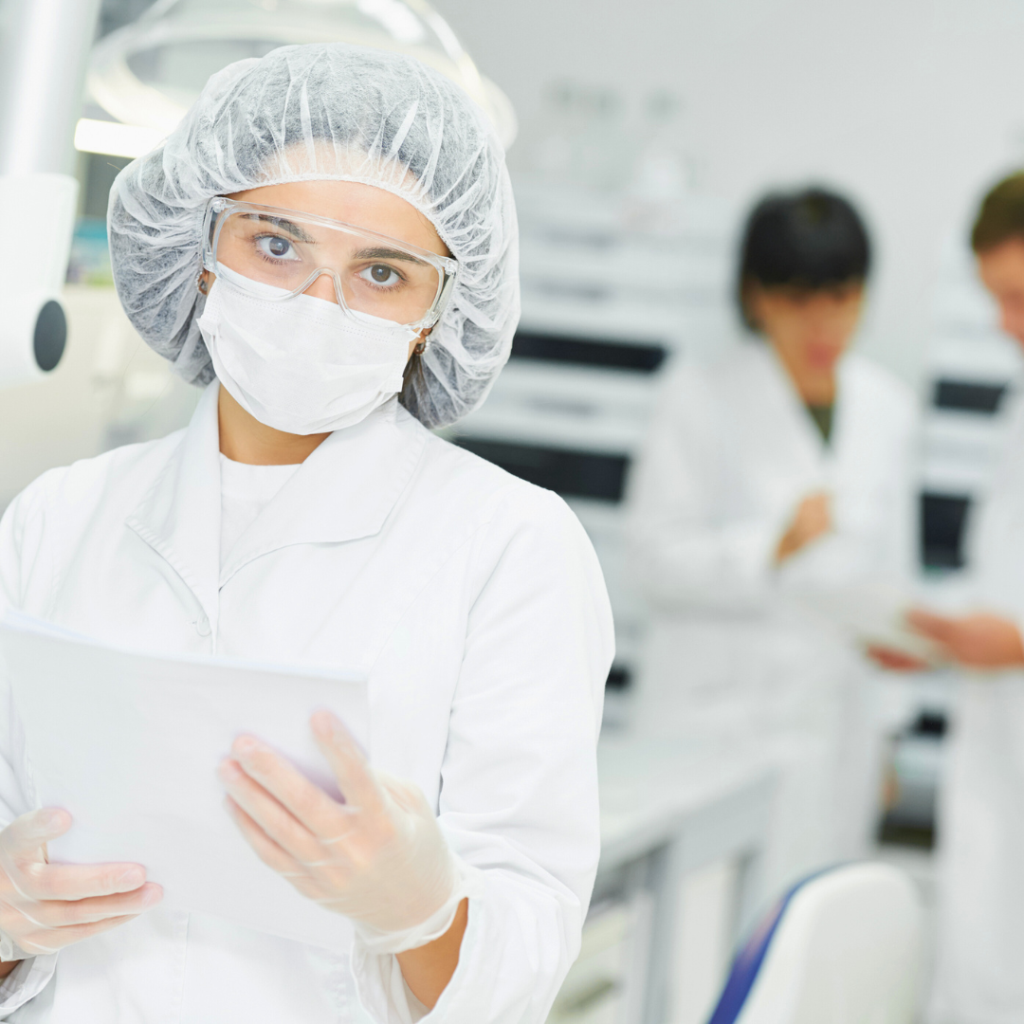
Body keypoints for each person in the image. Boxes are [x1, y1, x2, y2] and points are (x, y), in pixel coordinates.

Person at [0, 44, 614, 1022]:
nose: (317, 307)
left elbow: (526, 951)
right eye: (276, 244)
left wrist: (419, 909)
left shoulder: (510, 546)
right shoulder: (58, 519)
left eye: (381, 271)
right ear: (202, 248)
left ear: (437, 312)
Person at [626, 187, 918, 895]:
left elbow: (894, 576)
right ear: (756, 297)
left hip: (836, 731)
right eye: (800, 300)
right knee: (704, 950)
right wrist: (768, 546)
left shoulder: (887, 408)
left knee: (811, 948)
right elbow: (650, 560)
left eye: (844, 298)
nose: (825, 323)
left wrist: (888, 735)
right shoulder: (698, 396)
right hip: (719, 726)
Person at [870, 171, 1024, 1024]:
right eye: (996, 300)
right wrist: (935, 634)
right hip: (996, 755)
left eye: (1018, 297)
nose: (1007, 325)